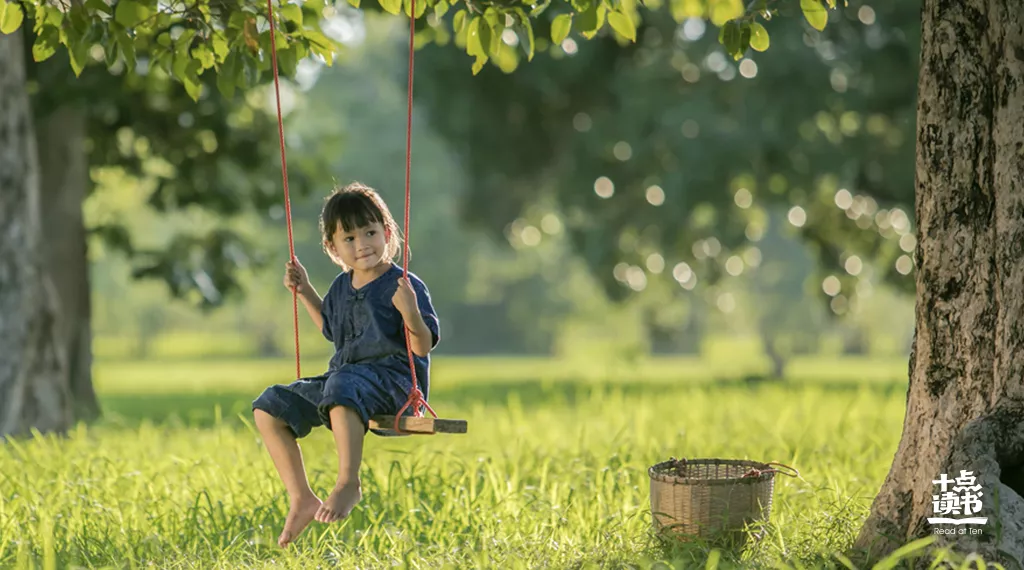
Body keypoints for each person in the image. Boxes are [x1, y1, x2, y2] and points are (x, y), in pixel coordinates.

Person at [252, 182, 440, 548]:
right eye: (349, 238)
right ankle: (302, 497)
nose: (362, 245)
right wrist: (305, 290)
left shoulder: (404, 284)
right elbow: (331, 330)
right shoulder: (341, 286)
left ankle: (348, 481)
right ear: (333, 248)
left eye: (370, 232)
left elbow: (423, 344)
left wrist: (412, 313)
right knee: (268, 406)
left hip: (393, 386)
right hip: (346, 380)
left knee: (342, 387)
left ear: (387, 233)